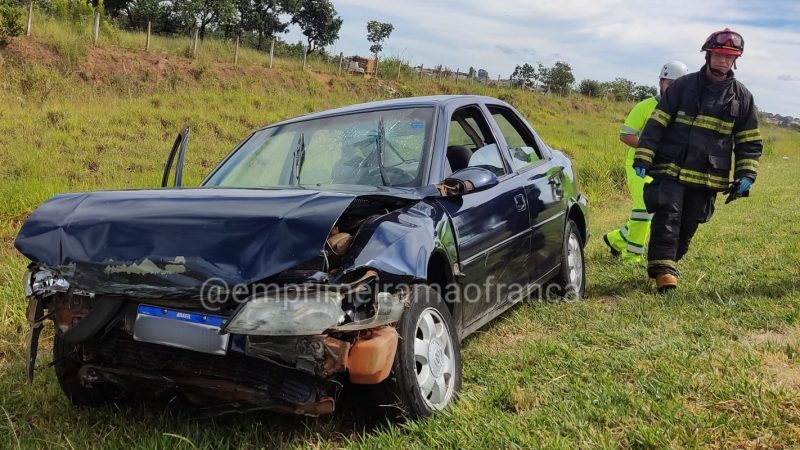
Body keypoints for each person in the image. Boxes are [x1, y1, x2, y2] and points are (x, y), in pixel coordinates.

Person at [632, 28, 762, 292]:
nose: (722, 61)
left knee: (689, 223)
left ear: (735, 60)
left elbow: (748, 141)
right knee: (668, 213)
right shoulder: (683, 86)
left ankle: (666, 263)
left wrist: (746, 174)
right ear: (708, 55)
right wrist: (644, 155)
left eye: (729, 57)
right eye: (718, 55)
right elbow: (657, 123)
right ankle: (664, 272)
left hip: (707, 175)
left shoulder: (742, 97)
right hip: (671, 167)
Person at [603, 60, 690, 263]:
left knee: (655, 208)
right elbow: (626, 135)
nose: (673, 89)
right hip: (639, 166)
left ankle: (617, 239)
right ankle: (632, 255)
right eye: (669, 84)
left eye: (678, 86)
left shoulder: (684, 112)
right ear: (660, 82)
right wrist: (652, 148)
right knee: (643, 208)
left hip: (665, 168)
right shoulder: (645, 106)